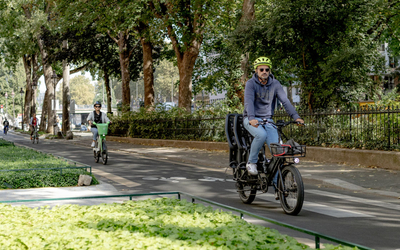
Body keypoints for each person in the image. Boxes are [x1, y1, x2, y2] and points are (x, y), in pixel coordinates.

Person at [243, 57, 304, 197]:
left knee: (278, 152)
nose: (264, 72)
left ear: (269, 71)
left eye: (267, 69)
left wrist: (296, 117)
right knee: (261, 135)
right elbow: (249, 102)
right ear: (256, 70)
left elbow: (285, 101)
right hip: (251, 118)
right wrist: (251, 118)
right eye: (261, 69)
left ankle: (279, 186)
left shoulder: (275, 83)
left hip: (267, 120)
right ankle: (251, 162)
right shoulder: (251, 83)